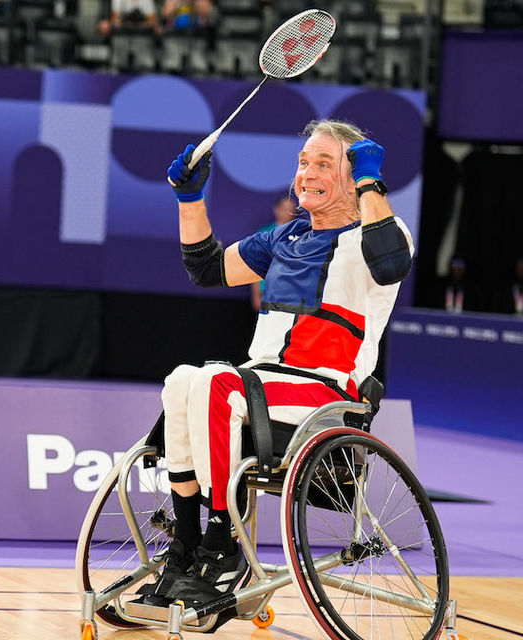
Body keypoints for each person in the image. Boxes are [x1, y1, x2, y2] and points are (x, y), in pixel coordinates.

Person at [140, 119, 414, 608]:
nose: (306, 172)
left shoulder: (381, 235)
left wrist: (372, 180)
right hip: (263, 388)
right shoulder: (282, 239)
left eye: (324, 164)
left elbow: (391, 264)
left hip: (327, 396)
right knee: (182, 380)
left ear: (354, 179)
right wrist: (189, 199)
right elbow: (206, 268)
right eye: (303, 161)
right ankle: (185, 544)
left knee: (217, 383)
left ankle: (222, 542)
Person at [250, 196, 298, 311]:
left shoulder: (300, 234)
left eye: (292, 209)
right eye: (285, 208)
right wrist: (256, 295)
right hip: (267, 293)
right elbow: (255, 266)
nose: (288, 212)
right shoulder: (263, 234)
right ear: (276, 210)